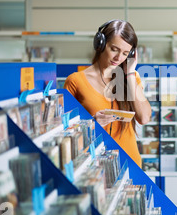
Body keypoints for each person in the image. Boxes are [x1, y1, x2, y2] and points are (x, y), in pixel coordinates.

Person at [64, 19, 151, 167]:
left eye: (125, 53)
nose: (119, 58)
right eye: (114, 49)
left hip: (130, 165)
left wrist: (129, 73)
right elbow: (65, 132)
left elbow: (144, 118)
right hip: (93, 166)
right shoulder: (75, 81)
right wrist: (90, 124)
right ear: (101, 44)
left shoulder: (131, 77)